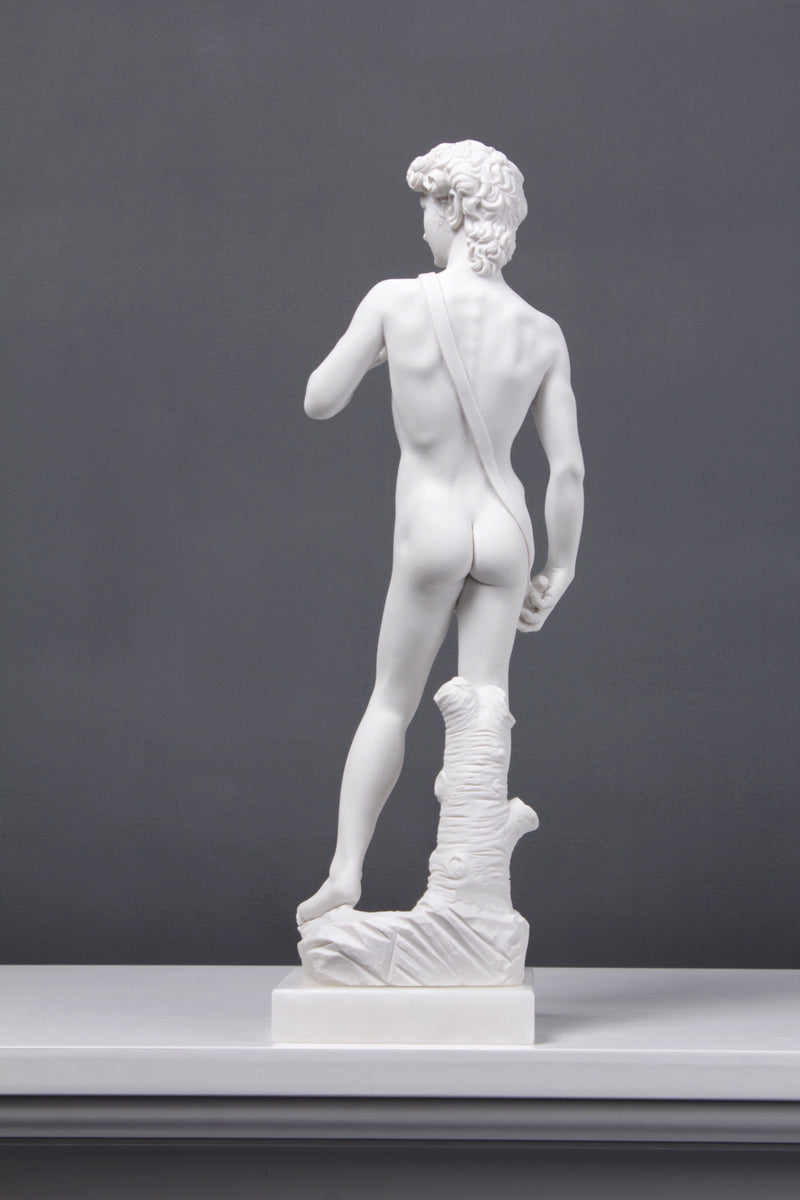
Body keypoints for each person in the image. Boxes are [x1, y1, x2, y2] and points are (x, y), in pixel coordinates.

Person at [297, 141, 584, 926]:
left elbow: (320, 398)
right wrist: (561, 569)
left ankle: (347, 872)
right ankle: (471, 898)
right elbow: (568, 470)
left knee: (391, 703)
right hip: (507, 529)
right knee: (485, 711)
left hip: (431, 524)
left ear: (455, 209)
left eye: (427, 204)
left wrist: (381, 350)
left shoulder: (396, 301)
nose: (422, 221)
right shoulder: (541, 331)